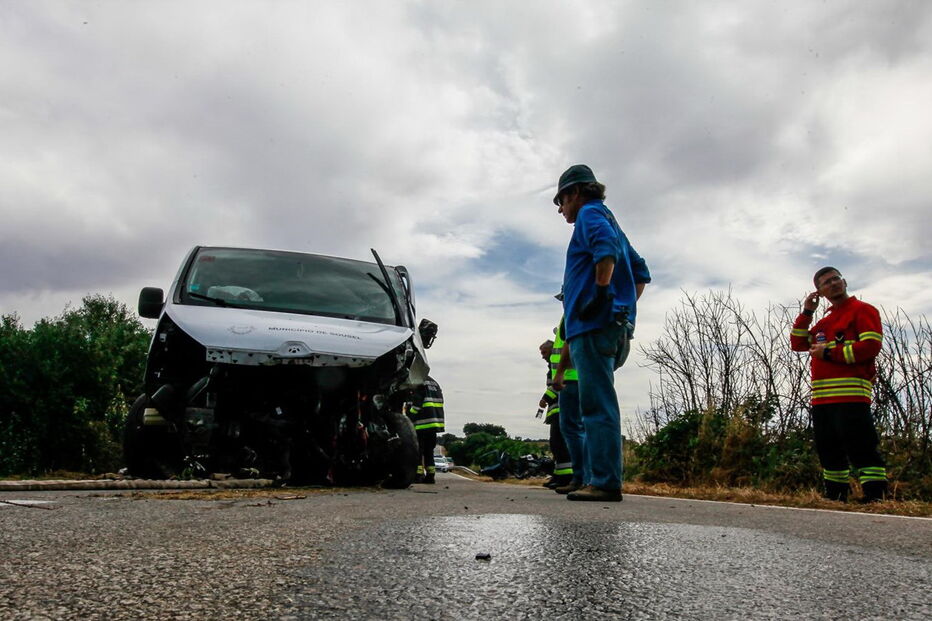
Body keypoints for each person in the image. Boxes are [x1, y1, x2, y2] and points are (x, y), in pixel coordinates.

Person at [552, 164, 650, 502]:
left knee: (595, 406)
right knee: (598, 403)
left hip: (593, 325)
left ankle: (605, 481)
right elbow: (640, 273)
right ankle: (599, 476)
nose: (561, 209)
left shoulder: (590, 215)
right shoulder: (612, 221)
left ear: (575, 193)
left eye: (560, 201)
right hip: (612, 325)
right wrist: (623, 309)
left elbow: (604, 249)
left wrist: (601, 295)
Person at [790, 267, 887, 502]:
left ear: (843, 281)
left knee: (861, 446)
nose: (832, 284)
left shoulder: (863, 310)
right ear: (820, 292)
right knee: (828, 449)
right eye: (826, 283)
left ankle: (876, 497)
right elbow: (797, 342)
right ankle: (835, 496)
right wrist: (807, 312)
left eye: (835, 279)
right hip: (821, 398)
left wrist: (830, 353)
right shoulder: (824, 322)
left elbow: (870, 347)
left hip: (852, 394)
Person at [538, 335, 574, 489]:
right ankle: (559, 476)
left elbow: (558, 385)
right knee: (555, 445)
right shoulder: (552, 368)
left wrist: (545, 398)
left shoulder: (560, 365)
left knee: (560, 444)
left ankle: (566, 478)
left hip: (562, 409)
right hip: (556, 411)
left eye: (544, 353)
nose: (543, 356)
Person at [407, 375, 445, 484]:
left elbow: (417, 404)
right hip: (433, 423)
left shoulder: (417, 380)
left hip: (421, 423)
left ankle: (418, 475)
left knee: (418, 451)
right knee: (429, 451)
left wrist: (409, 417)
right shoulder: (434, 383)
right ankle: (430, 475)